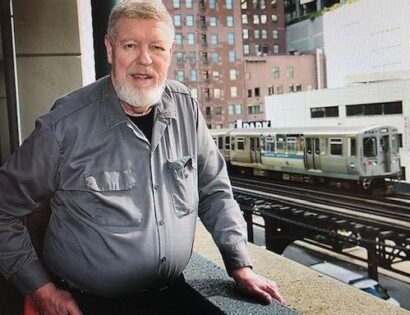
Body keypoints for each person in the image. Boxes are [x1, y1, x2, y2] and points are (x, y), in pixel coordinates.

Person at [0, 1, 285, 314]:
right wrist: (42, 290)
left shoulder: (186, 107)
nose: (145, 60)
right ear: (110, 49)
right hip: (89, 305)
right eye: (130, 45)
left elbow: (214, 190)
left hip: (170, 297)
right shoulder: (63, 126)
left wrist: (239, 264)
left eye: (157, 47)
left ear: (170, 54)